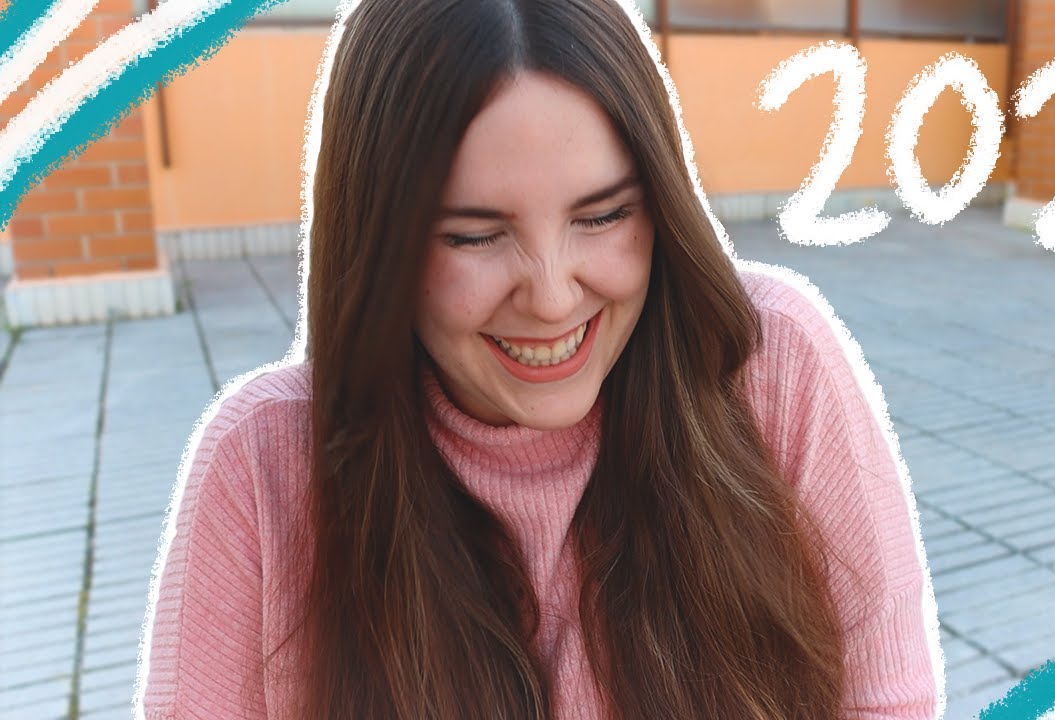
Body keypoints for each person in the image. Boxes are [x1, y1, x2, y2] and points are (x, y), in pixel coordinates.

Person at [136, 0, 937, 718]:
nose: (553, 298)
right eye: (475, 235)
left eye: (604, 216)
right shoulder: (261, 468)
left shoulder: (769, 362)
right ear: (379, 241)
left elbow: (889, 698)